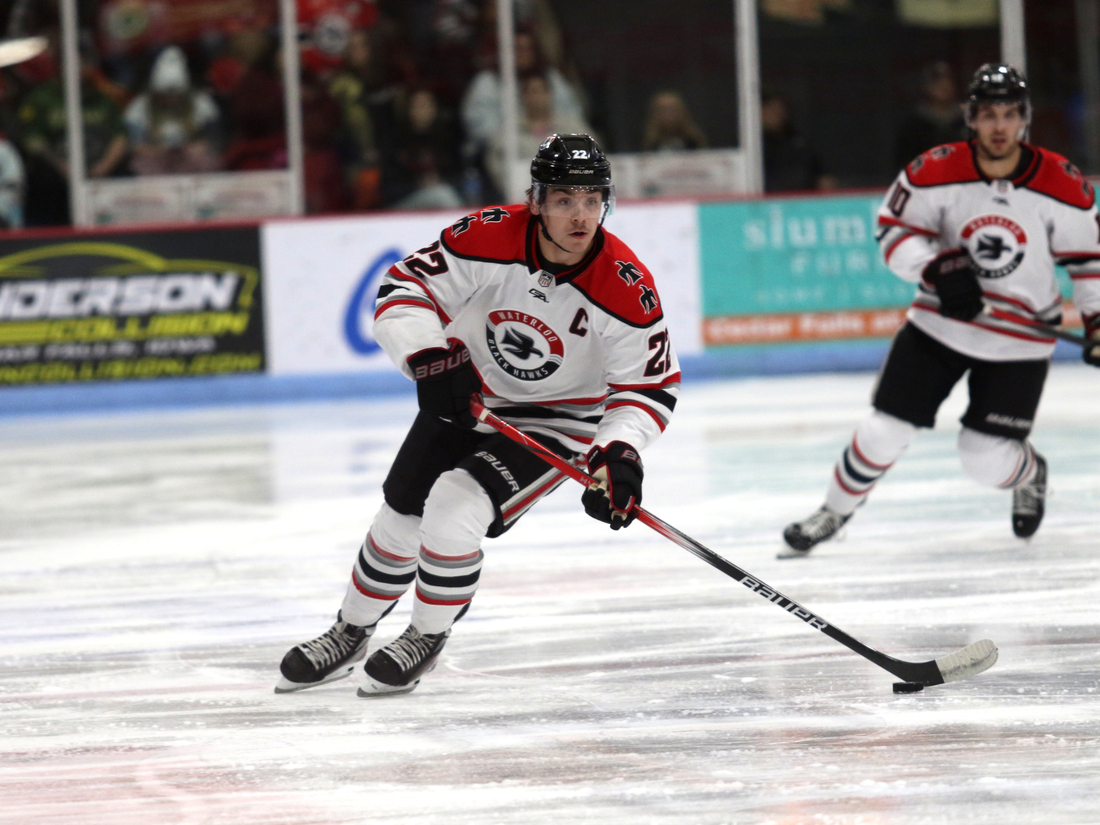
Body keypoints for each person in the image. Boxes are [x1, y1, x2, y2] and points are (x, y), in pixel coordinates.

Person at [275, 134, 680, 696]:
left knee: (453, 505)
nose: (580, 216)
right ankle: (351, 631)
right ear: (535, 200)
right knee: (400, 515)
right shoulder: (488, 235)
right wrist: (428, 357)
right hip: (467, 394)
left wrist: (618, 453)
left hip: (558, 421)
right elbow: (406, 287)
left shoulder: (625, 286)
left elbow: (648, 387)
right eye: (564, 200)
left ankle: (425, 636)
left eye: (592, 200)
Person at [781, 64, 1100, 557]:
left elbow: (1089, 262)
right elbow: (894, 231)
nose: (999, 126)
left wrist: (1097, 322)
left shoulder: (1061, 182)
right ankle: (833, 512)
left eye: (1009, 115)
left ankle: (1030, 474)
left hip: (1019, 341)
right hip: (939, 324)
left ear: (1024, 119)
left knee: (982, 457)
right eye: (988, 114)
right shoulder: (934, 169)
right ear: (970, 117)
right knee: (884, 430)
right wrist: (934, 268)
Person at [484, 72, 592, 200]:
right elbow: (496, 164)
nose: (537, 97)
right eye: (532, 92)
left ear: (550, 94)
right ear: (523, 96)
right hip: (523, 197)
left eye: (542, 91)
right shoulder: (508, 131)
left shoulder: (573, 127)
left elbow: (593, 155)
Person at [124, 45, 222, 175]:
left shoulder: (202, 103)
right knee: (139, 165)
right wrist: (159, 150)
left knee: (208, 161)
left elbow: (215, 139)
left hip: (190, 158)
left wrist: (196, 147)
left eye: (176, 95)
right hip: (155, 158)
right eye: (165, 96)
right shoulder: (139, 107)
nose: (171, 100)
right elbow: (134, 145)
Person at [894, 61, 967, 169]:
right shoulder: (915, 125)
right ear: (926, 87)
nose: (943, 86)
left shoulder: (966, 120)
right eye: (937, 82)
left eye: (947, 81)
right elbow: (905, 162)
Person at [760, 89, 835, 192]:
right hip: (771, 198)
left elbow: (820, 171)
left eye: (780, 109)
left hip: (804, 198)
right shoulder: (755, 145)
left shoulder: (796, 140)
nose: (778, 113)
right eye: (771, 109)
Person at [641, 89, 707, 152]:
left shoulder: (693, 141)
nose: (668, 114)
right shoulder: (648, 144)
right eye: (663, 110)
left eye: (673, 109)